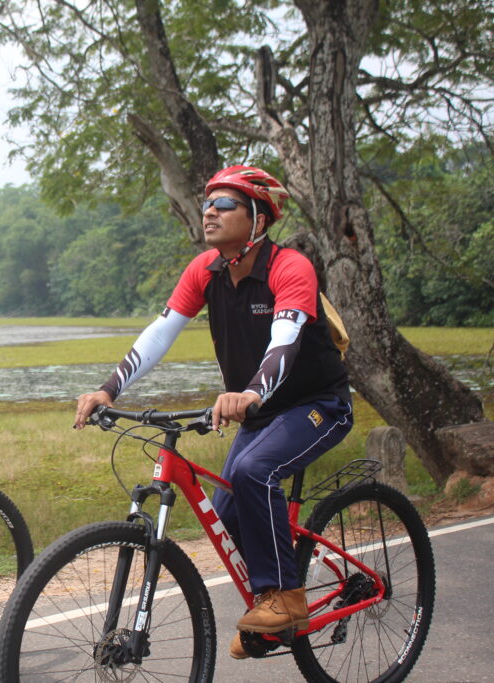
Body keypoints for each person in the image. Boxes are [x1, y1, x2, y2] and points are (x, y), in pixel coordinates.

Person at [73, 165, 353, 659]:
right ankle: (272, 608)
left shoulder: (290, 267)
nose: (210, 211)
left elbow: (285, 341)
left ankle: (286, 598)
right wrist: (108, 389)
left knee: (252, 471)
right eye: (208, 203)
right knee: (225, 516)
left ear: (258, 218)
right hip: (262, 414)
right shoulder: (206, 270)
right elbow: (160, 333)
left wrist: (250, 393)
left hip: (318, 405)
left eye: (225, 204)